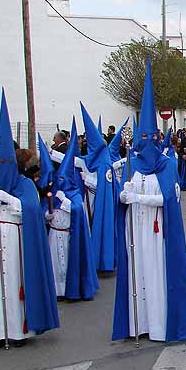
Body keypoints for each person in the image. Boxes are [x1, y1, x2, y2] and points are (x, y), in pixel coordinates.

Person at [112, 59, 186, 343]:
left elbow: (168, 199)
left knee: (156, 275)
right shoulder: (131, 164)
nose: (147, 142)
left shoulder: (165, 165)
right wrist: (123, 195)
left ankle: (161, 325)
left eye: (152, 137)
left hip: (156, 232)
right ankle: (138, 324)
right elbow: (117, 189)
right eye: (143, 137)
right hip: (134, 230)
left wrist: (137, 196)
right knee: (137, 275)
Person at [0, 90, 59, 348]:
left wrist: (13, 201)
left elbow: (32, 210)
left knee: (17, 286)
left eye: (8, 160)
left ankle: (19, 331)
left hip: (17, 245)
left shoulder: (24, 184)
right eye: (0, 160)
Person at [45, 119, 98, 301]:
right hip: (54, 234)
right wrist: (48, 214)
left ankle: (72, 288)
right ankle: (56, 291)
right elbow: (44, 210)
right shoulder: (53, 191)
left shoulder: (73, 194)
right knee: (55, 264)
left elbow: (76, 209)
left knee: (68, 263)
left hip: (68, 235)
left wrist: (63, 201)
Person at [79, 105, 126, 272]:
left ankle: (101, 259)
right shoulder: (91, 160)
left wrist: (87, 182)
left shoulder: (105, 164)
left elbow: (102, 186)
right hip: (89, 200)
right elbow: (76, 161)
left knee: (98, 227)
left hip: (98, 201)